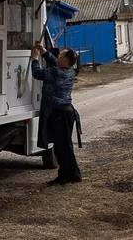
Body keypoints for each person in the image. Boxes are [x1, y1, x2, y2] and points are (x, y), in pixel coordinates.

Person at [31, 42, 82, 185]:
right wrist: (44, 52)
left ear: (65, 60)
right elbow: (55, 62)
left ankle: (71, 175)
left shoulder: (55, 73)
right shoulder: (71, 70)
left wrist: (35, 58)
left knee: (62, 147)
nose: (57, 57)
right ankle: (67, 175)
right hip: (67, 112)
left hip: (60, 114)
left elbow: (37, 73)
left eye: (60, 55)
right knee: (63, 146)